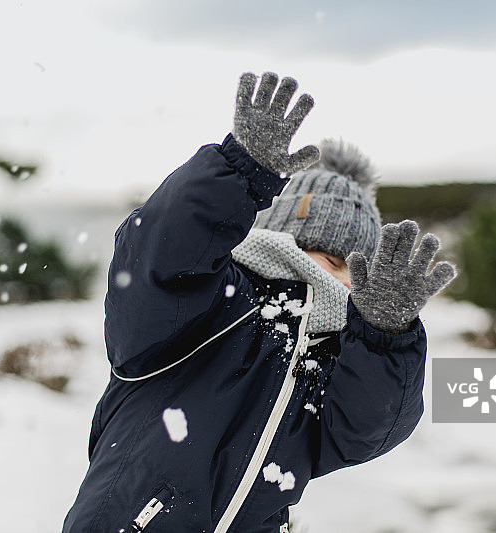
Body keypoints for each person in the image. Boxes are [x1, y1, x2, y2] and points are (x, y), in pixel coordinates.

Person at [62, 71, 456, 533]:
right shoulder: (209, 303)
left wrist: (384, 337)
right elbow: (158, 258)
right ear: (287, 239)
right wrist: (238, 174)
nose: (343, 280)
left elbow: (366, 430)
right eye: (331, 258)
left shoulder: (330, 360)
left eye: (357, 271)